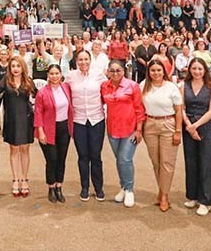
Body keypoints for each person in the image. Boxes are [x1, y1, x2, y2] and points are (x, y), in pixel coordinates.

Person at [100, 60, 145, 208]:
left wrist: (139, 130)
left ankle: (130, 189)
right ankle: (123, 187)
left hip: (130, 130)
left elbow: (139, 109)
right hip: (113, 129)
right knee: (119, 160)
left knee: (125, 159)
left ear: (123, 71)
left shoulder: (132, 86)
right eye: (112, 71)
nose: (115, 73)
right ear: (108, 72)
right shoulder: (104, 87)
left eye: (118, 70)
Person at [140, 59, 183, 212]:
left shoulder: (171, 87)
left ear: (164, 71)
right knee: (156, 162)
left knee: (167, 163)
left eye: (159, 70)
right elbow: (139, 108)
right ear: (148, 72)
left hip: (168, 125)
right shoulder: (144, 85)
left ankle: (164, 195)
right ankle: (162, 189)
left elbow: (179, 111)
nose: (156, 73)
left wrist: (178, 131)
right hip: (150, 125)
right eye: (153, 70)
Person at [65, 49, 107, 202]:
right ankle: (84, 187)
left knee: (95, 155)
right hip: (79, 120)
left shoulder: (99, 75)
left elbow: (107, 92)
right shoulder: (70, 77)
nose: (83, 62)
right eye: (80, 60)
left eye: (86, 59)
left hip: (97, 119)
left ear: (90, 60)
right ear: (76, 61)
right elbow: (63, 92)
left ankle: (99, 187)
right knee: (83, 156)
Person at [181, 58, 211, 216]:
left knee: (207, 162)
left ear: (205, 70)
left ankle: (206, 200)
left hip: (205, 127)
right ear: (189, 69)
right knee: (191, 162)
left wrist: (195, 126)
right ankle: (193, 195)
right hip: (188, 126)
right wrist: (189, 126)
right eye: (194, 68)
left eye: (200, 69)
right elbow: (181, 107)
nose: (197, 72)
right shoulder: (183, 86)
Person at [0, 55, 36, 197]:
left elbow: (39, 95)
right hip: (11, 120)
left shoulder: (28, 81)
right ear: (9, 68)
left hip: (26, 120)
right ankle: (15, 180)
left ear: (22, 67)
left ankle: (24, 179)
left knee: (25, 150)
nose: (15, 69)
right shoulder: (5, 81)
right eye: (13, 66)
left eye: (18, 66)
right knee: (14, 150)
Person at [34, 64, 72, 203]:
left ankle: (59, 187)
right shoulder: (42, 92)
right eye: (52, 74)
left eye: (57, 73)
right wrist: (40, 131)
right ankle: (51, 187)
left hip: (64, 128)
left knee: (61, 159)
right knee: (52, 159)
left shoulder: (66, 88)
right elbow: (37, 112)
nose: (54, 76)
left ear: (61, 74)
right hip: (48, 128)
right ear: (48, 75)